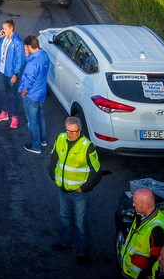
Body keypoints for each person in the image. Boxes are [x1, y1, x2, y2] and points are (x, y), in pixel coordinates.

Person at [49, 115, 105, 264]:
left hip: (78, 193)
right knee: (65, 217)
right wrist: (52, 174)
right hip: (63, 189)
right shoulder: (60, 138)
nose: (71, 134)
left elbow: (97, 173)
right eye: (68, 131)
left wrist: (84, 188)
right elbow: (54, 157)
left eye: (74, 131)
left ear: (80, 130)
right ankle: (65, 242)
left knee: (81, 222)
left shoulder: (87, 146)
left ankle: (82, 251)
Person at [119, 187, 164, 279]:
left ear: (145, 206)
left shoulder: (157, 230)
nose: (133, 204)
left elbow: (156, 260)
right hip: (131, 273)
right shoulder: (142, 214)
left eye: (135, 202)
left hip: (139, 278)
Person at [18, 35, 50, 154]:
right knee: (40, 116)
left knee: (32, 121)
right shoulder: (44, 56)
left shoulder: (33, 63)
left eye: (26, 48)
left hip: (31, 96)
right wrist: (27, 54)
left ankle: (36, 145)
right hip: (41, 93)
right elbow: (30, 60)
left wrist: (23, 93)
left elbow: (28, 80)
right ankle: (43, 139)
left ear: (30, 46)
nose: (25, 50)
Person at [0, 18, 23, 130]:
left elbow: (20, 60)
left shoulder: (17, 42)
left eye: (5, 28)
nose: (3, 30)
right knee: (3, 92)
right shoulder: (3, 38)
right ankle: (4, 113)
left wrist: (16, 74)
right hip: (1, 70)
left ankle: (14, 117)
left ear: (11, 28)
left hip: (11, 73)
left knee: (13, 95)